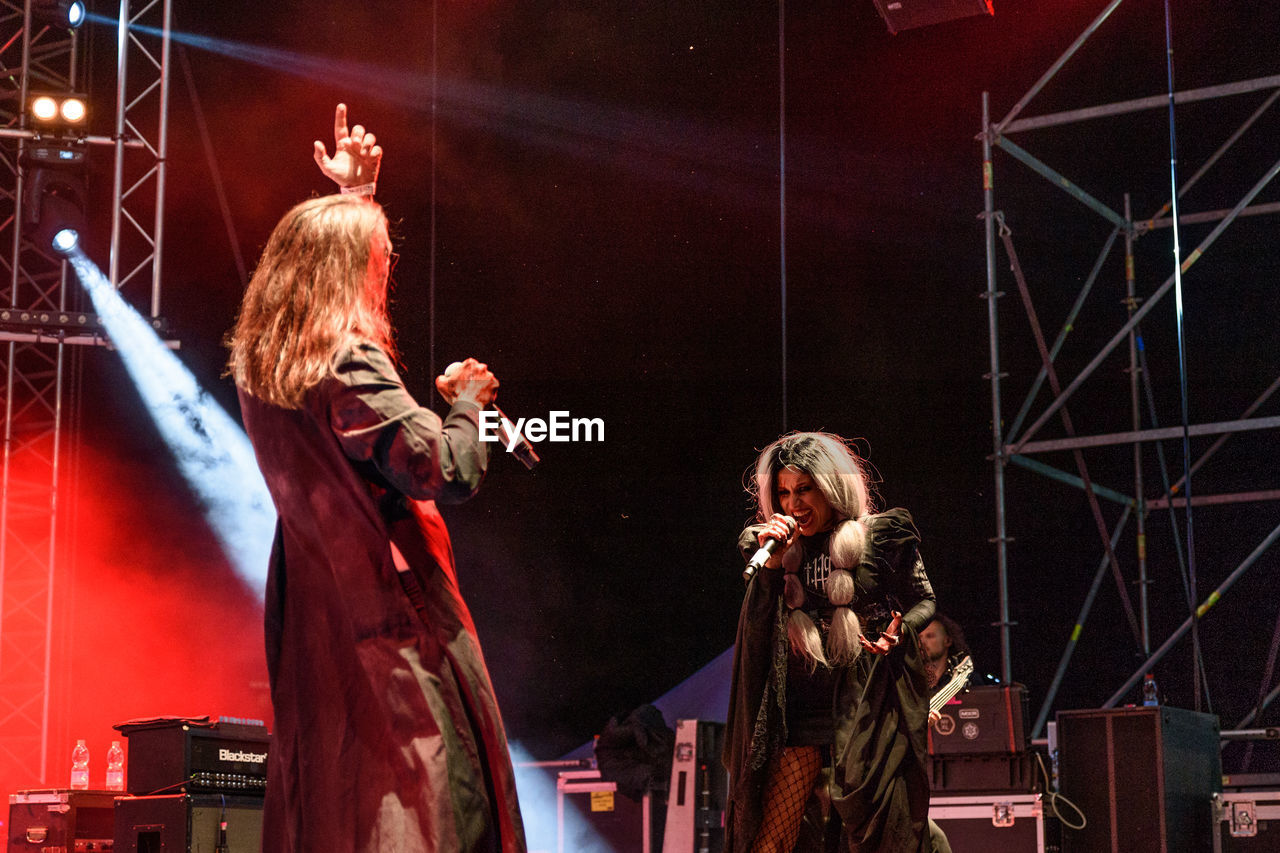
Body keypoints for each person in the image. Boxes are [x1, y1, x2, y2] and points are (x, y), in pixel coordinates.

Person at [227, 104, 526, 853]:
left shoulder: (271, 366)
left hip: (324, 621)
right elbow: (440, 466)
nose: (385, 267)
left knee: (342, 803)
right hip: (391, 625)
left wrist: (355, 200)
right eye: (378, 256)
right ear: (345, 270)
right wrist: (466, 403)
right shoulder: (349, 358)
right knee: (426, 803)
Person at [723, 432, 947, 853]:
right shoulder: (773, 546)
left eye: (804, 489)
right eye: (784, 493)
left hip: (865, 707)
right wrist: (772, 562)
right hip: (801, 711)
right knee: (770, 838)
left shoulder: (880, 535)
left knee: (878, 834)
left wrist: (901, 630)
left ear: (830, 486)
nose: (793, 504)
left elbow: (924, 600)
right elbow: (761, 621)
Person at [918, 613, 970, 694]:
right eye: (919, 637)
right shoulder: (910, 680)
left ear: (948, 641)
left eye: (930, 636)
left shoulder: (966, 678)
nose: (922, 642)